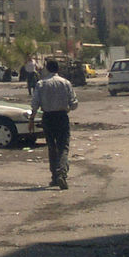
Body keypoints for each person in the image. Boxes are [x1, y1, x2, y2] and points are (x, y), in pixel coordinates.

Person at [29, 58, 78, 190]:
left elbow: (35, 103)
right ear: (58, 69)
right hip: (62, 117)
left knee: (51, 147)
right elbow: (74, 103)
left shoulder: (41, 84)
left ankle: (55, 177)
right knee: (63, 147)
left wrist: (32, 119)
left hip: (48, 118)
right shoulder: (65, 83)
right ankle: (62, 173)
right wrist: (67, 107)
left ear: (48, 69)